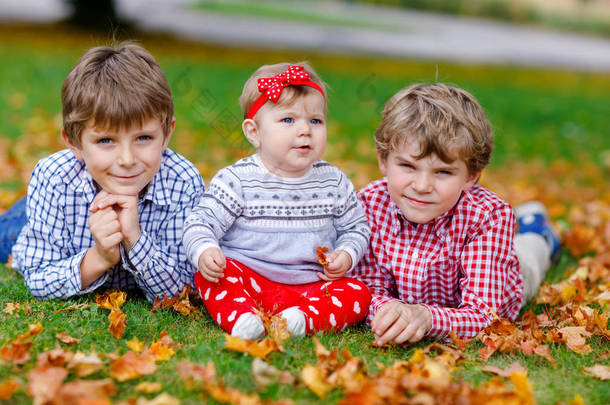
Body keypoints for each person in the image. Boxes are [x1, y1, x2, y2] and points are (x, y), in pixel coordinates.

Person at [353, 83, 560, 345]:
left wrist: (426, 318)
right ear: (383, 160)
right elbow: (365, 289)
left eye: (442, 172)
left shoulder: (488, 217)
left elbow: (485, 314)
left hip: (508, 275)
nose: (422, 186)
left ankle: (539, 231)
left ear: (471, 175)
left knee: (530, 253)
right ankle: (531, 222)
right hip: (435, 299)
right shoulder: (368, 204)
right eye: (408, 166)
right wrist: (388, 313)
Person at [1, 43, 204, 302]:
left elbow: (186, 289)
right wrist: (99, 258)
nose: (127, 159)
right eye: (106, 141)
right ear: (74, 143)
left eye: (143, 137)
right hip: (32, 222)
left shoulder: (183, 182)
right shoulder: (54, 178)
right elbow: (39, 278)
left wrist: (135, 239)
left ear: (166, 134)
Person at [183, 63, 371, 340]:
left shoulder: (333, 181)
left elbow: (357, 227)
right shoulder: (238, 180)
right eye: (288, 120)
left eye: (315, 121)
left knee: (358, 293)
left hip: (310, 287)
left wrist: (346, 253)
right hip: (250, 280)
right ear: (254, 132)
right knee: (210, 277)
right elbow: (200, 222)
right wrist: (205, 250)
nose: (305, 130)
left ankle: (300, 321)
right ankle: (244, 319)